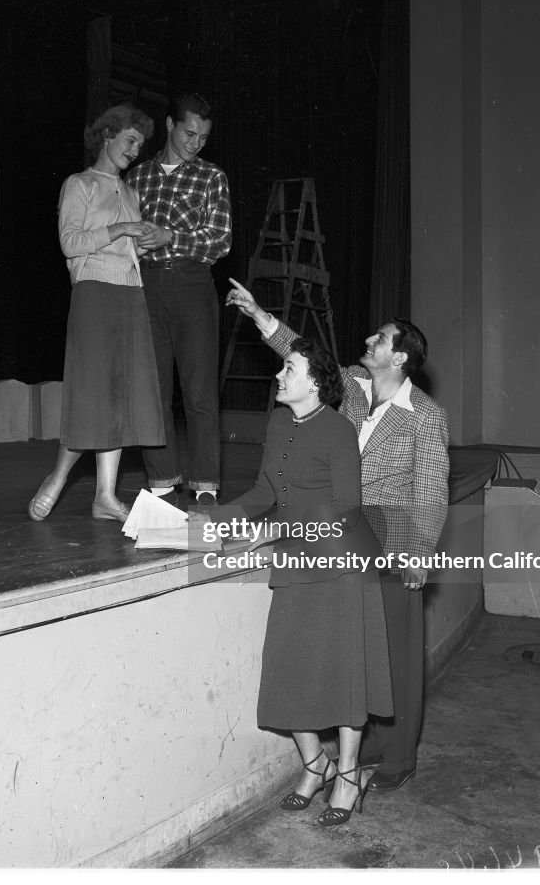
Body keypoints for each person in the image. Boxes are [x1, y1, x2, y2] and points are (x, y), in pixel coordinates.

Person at [225, 279, 450, 791]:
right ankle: (357, 755)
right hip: (334, 532)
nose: (370, 340)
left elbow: (432, 490)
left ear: (402, 359)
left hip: (390, 533)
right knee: (357, 653)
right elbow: (303, 355)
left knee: (394, 650)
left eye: (382, 338)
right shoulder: (352, 385)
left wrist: (420, 553)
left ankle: (396, 759)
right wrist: (261, 317)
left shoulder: (428, 418)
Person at [214, 338, 392, 827]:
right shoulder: (276, 423)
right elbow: (264, 491)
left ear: (314, 383)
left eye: (288, 369)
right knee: (288, 667)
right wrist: (210, 521)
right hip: (297, 562)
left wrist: (278, 529)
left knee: (343, 672)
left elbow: (345, 506)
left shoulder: (337, 431)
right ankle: (316, 766)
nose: (278, 376)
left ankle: (348, 774)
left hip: (341, 564)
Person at [27, 104, 164, 523]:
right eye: (129, 140)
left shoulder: (131, 193)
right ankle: (56, 478)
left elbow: (127, 247)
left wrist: (147, 241)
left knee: (120, 396)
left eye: (140, 145)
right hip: (93, 294)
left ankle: (105, 496)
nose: (135, 151)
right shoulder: (79, 184)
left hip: (130, 294)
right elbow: (70, 243)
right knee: (91, 395)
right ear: (107, 136)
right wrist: (121, 229)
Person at [125, 92, 232, 508]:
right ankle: (162, 482)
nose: (196, 143)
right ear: (170, 124)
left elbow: (220, 241)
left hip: (192, 285)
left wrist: (171, 238)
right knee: (153, 390)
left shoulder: (212, 177)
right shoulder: (135, 178)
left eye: (203, 137)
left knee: (200, 391)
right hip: (145, 286)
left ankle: (206, 484)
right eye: (190, 133)